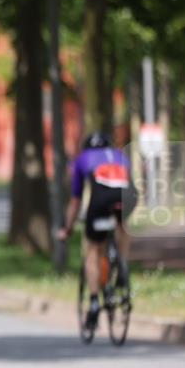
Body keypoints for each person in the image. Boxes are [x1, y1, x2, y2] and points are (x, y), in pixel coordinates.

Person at [57, 131, 134, 331]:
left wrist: (67, 228)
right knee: (123, 226)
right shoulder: (120, 155)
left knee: (92, 249)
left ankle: (93, 301)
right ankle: (123, 267)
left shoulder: (82, 159)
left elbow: (76, 201)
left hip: (100, 200)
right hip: (127, 197)